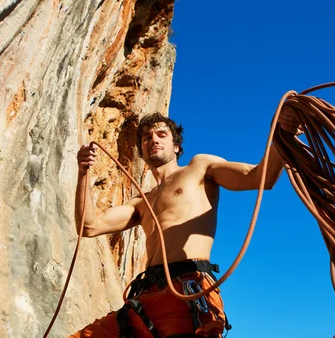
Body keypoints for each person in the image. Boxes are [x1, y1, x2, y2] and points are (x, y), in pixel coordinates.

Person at [70, 111, 301, 338]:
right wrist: (83, 172)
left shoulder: (199, 168)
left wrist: (283, 135)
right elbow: (89, 226)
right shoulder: (141, 202)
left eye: (161, 134)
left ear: (177, 146)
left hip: (186, 288)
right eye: (147, 137)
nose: (154, 140)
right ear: (141, 150)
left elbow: (258, 176)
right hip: (143, 299)